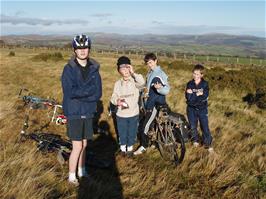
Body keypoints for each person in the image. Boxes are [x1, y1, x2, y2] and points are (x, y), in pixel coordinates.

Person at [61, 34, 102, 185]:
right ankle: (71, 177)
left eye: (85, 47)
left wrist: (82, 94)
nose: (82, 51)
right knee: (77, 146)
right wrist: (88, 92)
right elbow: (69, 92)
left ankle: (82, 171)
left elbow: (98, 93)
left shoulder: (94, 69)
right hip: (74, 112)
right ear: (74, 50)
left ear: (89, 49)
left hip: (88, 111)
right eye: (79, 48)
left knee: (85, 145)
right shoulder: (68, 69)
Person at [134, 53, 170, 155]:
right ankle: (153, 143)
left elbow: (167, 89)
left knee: (144, 126)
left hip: (155, 104)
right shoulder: (150, 73)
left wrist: (160, 88)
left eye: (150, 62)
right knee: (152, 124)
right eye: (147, 63)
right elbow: (147, 88)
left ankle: (144, 146)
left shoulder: (160, 73)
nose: (149, 64)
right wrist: (145, 92)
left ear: (156, 61)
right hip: (149, 103)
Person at [110, 56, 145, 157]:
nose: (125, 70)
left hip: (133, 113)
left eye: (127, 67)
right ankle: (122, 149)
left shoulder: (135, 81)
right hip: (121, 114)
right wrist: (117, 101)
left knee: (132, 132)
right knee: (122, 132)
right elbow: (113, 96)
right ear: (118, 70)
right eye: (122, 68)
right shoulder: (117, 83)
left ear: (130, 67)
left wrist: (133, 73)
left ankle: (129, 149)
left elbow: (142, 83)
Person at [185, 64, 213, 152]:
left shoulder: (205, 84)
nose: (195, 75)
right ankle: (195, 140)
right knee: (193, 126)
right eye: (194, 73)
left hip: (202, 109)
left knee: (204, 127)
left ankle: (207, 144)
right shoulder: (189, 83)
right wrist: (197, 94)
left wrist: (193, 94)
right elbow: (188, 97)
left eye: (197, 74)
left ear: (201, 75)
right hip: (191, 109)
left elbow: (205, 96)